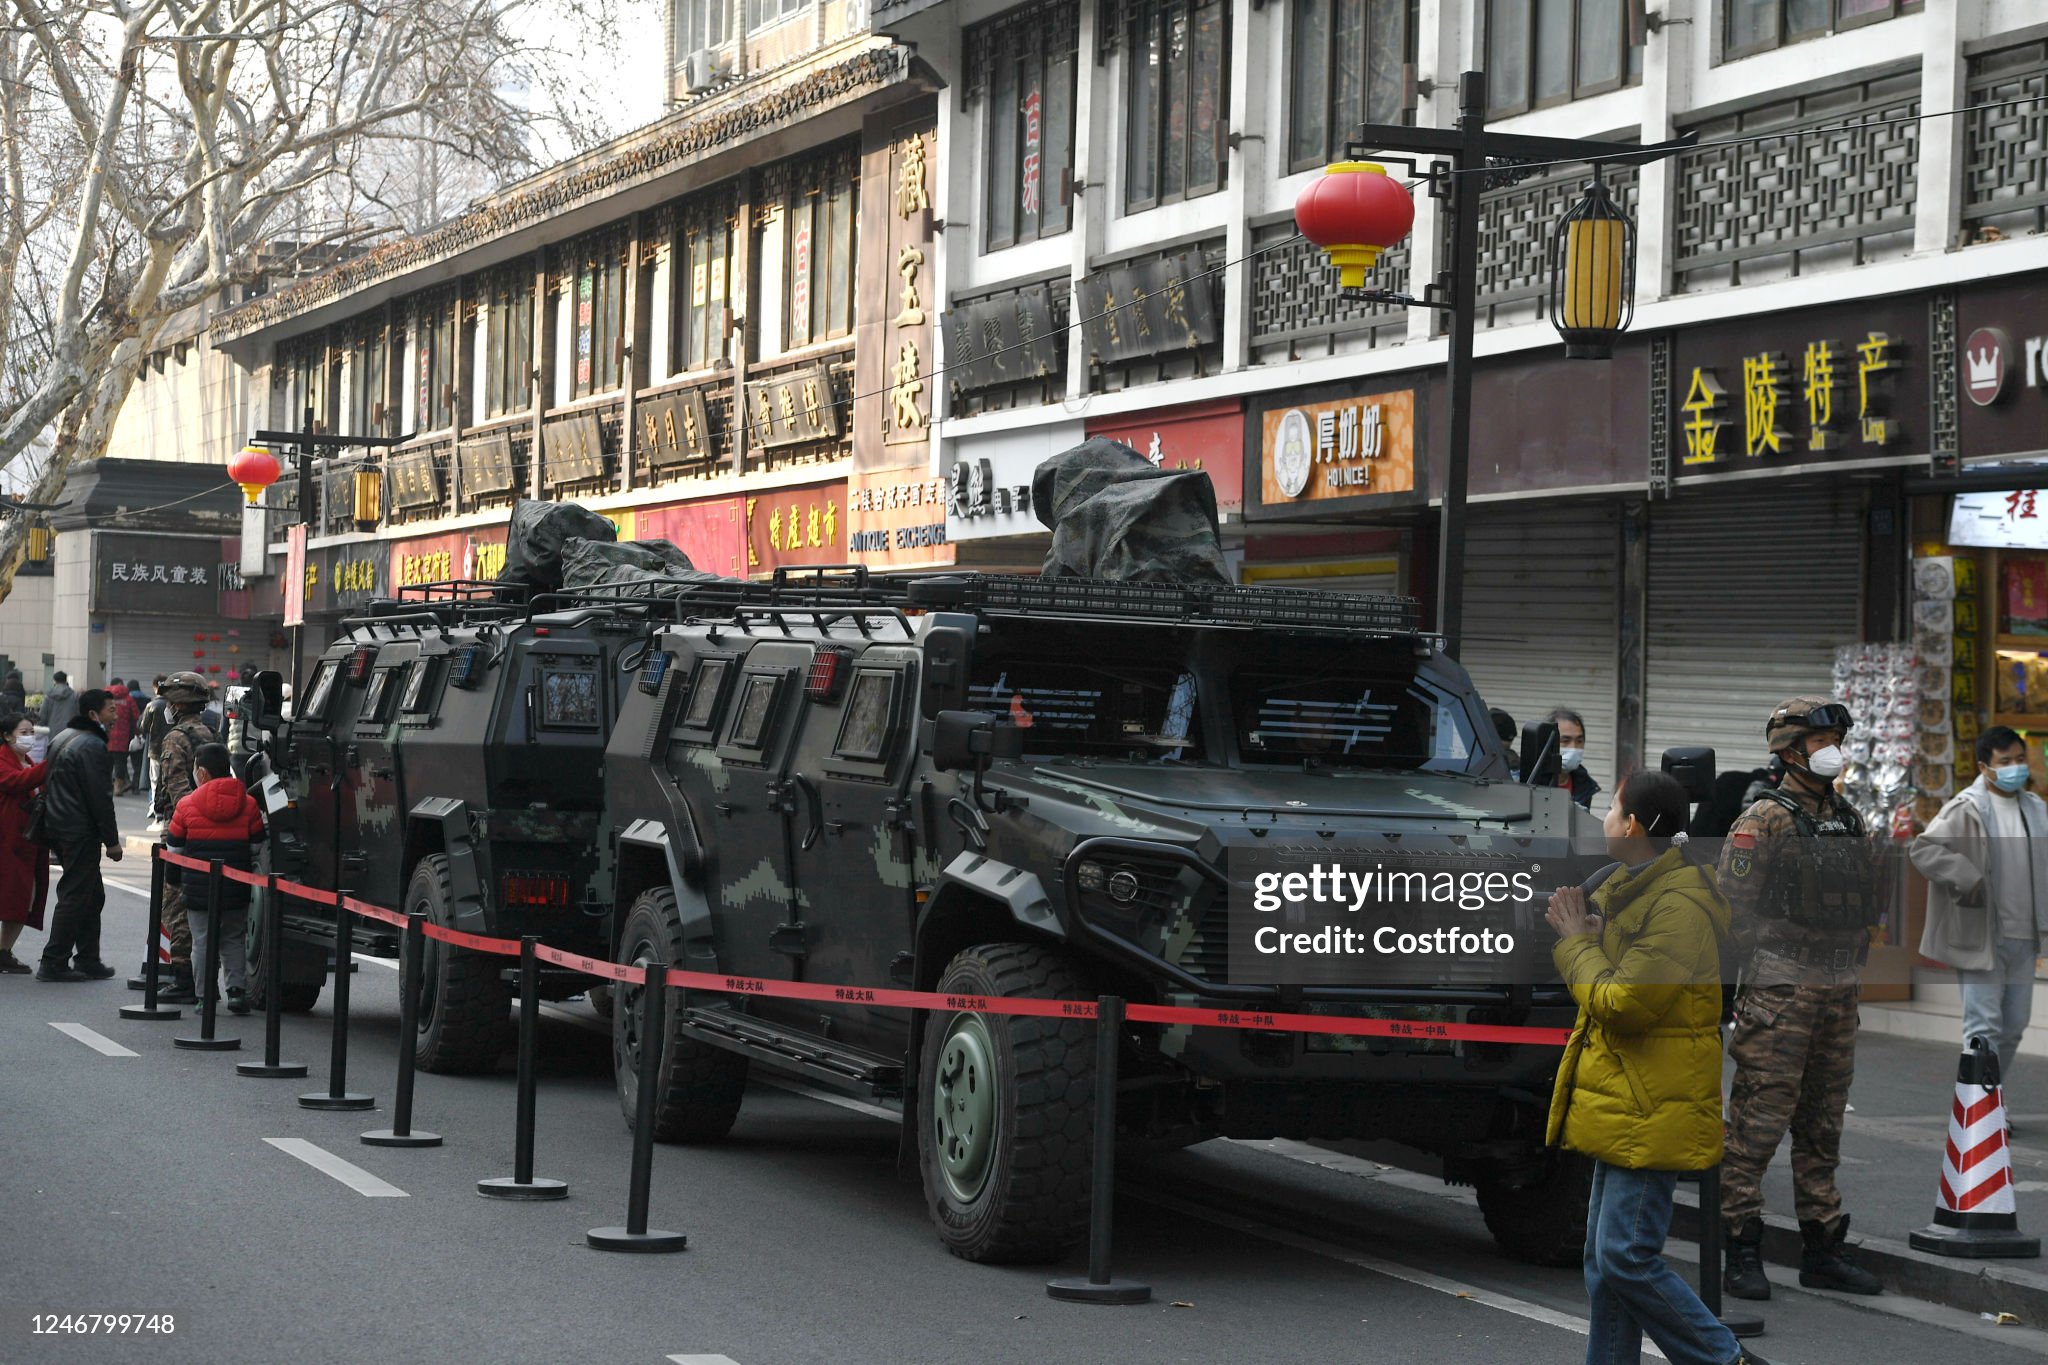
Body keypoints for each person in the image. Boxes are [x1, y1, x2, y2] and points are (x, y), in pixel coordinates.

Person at [1546, 771, 1764, 1365]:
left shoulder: (1679, 906)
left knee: (1626, 1256)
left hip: (1652, 1103)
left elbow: (1625, 1003)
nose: (1606, 821)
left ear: (1635, 825)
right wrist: (1593, 933)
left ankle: (1725, 1359)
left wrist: (1575, 943)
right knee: (1604, 1262)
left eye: (1612, 810)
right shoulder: (1636, 888)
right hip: (1627, 1097)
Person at [1717, 697, 1884, 1300]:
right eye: (1821, 740)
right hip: (1782, 991)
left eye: (1836, 737)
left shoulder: (1849, 816)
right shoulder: (1761, 819)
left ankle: (1823, 1246)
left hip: (1839, 990)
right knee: (1759, 1121)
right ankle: (1739, 1244)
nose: (1833, 749)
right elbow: (1730, 906)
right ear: (1789, 750)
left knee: (1823, 1123)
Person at [1910, 726, 2048, 1093]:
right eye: (2005, 762)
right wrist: (1965, 875)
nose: (2015, 768)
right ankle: (1978, 1113)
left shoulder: (2035, 808)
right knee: (1983, 1027)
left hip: (2025, 937)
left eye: (2020, 760)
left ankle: (1991, 1101)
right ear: (1985, 767)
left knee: (2014, 1026)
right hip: (1982, 936)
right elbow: (1924, 850)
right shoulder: (1965, 808)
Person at [166, 743, 265, 1014]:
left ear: (202, 772)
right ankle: (236, 992)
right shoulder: (249, 803)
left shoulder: (186, 805)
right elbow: (257, 847)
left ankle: (204, 996)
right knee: (234, 937)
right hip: (236, 886)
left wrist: (174, 882)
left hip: (198, 888)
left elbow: (174, 850)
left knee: (201, 940)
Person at [35, 689, 123, 982]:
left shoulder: (64, 736)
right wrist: (111, 840)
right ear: (94, 715)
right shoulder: (91, 746)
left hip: (59, 826)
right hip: (78, 830)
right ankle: (54, 961)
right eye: (111, 710)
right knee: (75, 894)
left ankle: (88, 958)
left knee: (91, 894)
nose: (116, 715)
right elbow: (100, 797)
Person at [152, 671, 218, 1003]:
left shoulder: (176, 738)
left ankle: (183, 980)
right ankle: (206, 978)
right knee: (204, 908)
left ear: (177, 704)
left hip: (184, 829)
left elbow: (177, 789)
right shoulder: (211, 733)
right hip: (212, 829)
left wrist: (181, 826)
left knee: (176, 905)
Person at [0, 713, 50, 973]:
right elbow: (18, 782)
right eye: (24, 732)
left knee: (22, 900)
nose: (29, 737)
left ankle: (4, 951)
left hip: (27, 842)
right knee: (11, 898)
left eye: (32, 732)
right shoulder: (3, 760)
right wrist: (50, 765)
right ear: (8, 736)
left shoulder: (27, 760)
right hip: (8, 841)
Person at [1548, 706, 1600, 808]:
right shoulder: (1527, 782)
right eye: (1565, 741)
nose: (1574, 748)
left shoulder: (1584, 785)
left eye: (1579, 741)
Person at [142, 675, 170, 827]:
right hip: (173, 747)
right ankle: (167, 812)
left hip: (155, 749)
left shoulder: (151, 705)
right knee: (169, 780)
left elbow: (143, 727)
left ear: (155, 687)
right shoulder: (174, 704)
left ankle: (157, 812)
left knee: (155, 781)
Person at [104, 682, 135, 795]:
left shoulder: (104, 698)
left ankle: (106, 786)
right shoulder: (128, 699)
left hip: (107, 735)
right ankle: (118, 787)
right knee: (120, 762)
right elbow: (135, 716)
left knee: (107, 762)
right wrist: (135, 733)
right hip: (123, 736)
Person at [125, 680, 149, 795]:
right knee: (138, 762)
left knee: (122, 761)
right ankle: (136, 785)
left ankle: (126, 782)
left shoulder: (127, 701)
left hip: (127, 734)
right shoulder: (147, 700)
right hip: (141, 735)